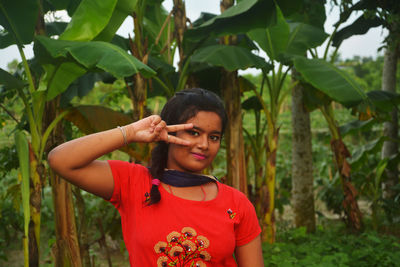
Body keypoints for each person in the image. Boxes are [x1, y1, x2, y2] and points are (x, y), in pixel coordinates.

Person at [48, 88, 264, 267]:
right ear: (169, 131)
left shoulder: (236, 204)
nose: (204, 145)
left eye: (214, 137)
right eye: (194, 132)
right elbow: (61, 160)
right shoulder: (133, 182)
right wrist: (131, 132)